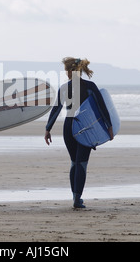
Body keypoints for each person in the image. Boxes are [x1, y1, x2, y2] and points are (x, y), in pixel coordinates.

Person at [44, 57, 114, 208]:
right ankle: (77, 198)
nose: (66, 74)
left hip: (69, 126)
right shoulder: (90, 86)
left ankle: (75, 197)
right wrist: (109, 126)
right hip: (85, 127)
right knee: (82, 162)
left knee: (74, 162)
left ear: (71, 71)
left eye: (66, 71)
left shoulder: (64, 88)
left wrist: (48, 129)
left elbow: (56, 110)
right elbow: (102, 107)